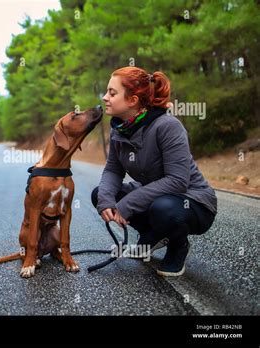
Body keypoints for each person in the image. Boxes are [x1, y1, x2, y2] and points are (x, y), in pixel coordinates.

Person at [91, 66, 217, 277]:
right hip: (156, 195)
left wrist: (127, 204)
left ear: (132, 100)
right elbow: (113, 169)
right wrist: (106, 199)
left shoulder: (167, 126)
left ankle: (178, 247)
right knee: (100, 193)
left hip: (193, 201)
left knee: (163, 208)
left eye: (112, 93)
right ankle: (149, 238)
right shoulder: (118, 130)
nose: (105, 98)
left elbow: (177, 181)